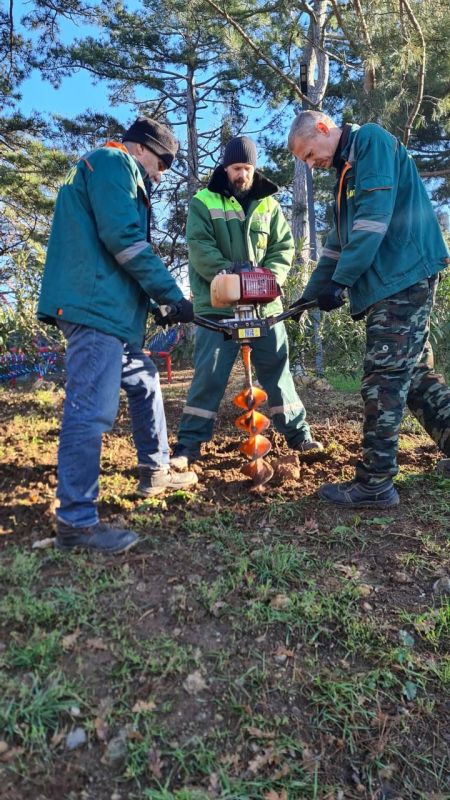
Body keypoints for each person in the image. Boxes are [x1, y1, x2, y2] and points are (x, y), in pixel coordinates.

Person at [38, 116, 197, 554]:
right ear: (141, 147)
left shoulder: (103, 168)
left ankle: (156, 470)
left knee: (144, 379)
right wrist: (171, 295)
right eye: (162, 162)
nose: (161, 173)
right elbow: (124, 241)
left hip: (105, 307)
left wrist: (156, 307)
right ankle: (76, 522)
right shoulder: (113, 162)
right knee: (90, 410)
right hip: (94, 311)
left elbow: (109, 251)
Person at [288, 110, 450, 508]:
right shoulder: (346, 174)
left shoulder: (372, 142)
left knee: (384, 377)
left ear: (323, 128)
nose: (312, 165)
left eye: (310, 154)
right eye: (306, 162)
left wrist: (341, 284)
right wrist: (308, 298)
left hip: (402, 275)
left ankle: (375, 483)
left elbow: (373, 223)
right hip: (392, 281)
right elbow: (335, 245)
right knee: (414, 375)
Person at [171, 135, 322, 468]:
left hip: (265, 307)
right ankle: (189, 444)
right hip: (218, 308)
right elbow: (199, 248)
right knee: (209, 376)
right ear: (226, 168)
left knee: (278, 372)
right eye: (237, 168)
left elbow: (284, 248)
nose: (243, 174)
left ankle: (300, 437)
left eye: (248, 168)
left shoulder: (269, 205)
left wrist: (268, 278)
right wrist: (230, 273)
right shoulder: (204, 201)